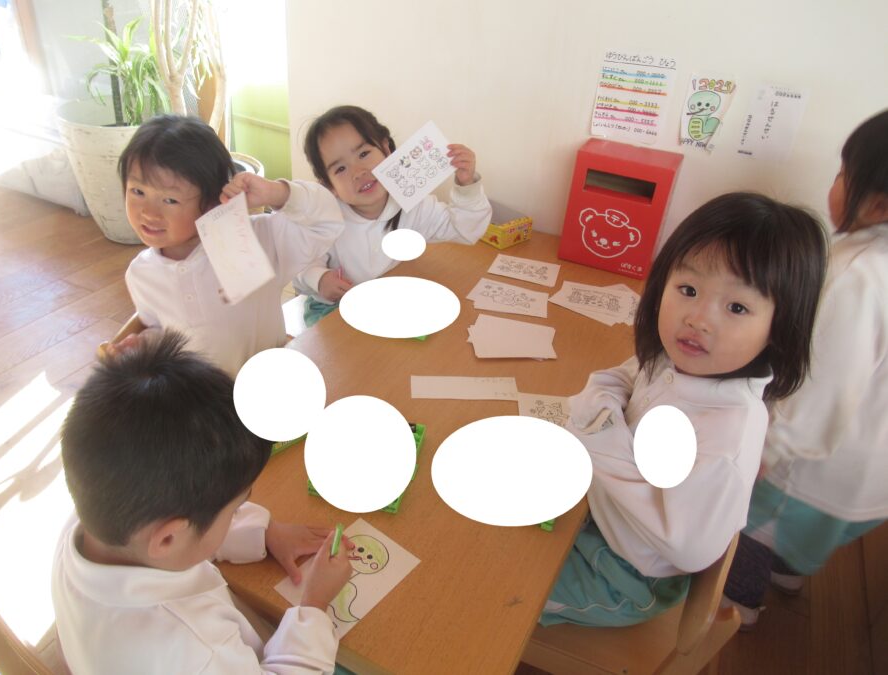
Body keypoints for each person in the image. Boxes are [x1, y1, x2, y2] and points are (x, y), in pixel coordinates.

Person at [540, 192, 828, 627]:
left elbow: (691, 550)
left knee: (496, 583)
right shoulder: (678, 359)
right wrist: (600, 426)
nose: (698, 319)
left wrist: (599, 437)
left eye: (737, 307)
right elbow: (614, 380)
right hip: (596, 512)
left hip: (623, 576)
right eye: (688, 290)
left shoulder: (724, 434)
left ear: (778, 326)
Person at [52, 330, 354, 674]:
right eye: (235, 510)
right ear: (168, 538)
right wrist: (314, 605)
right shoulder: (196, 652)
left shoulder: (93, 519)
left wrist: (265, 531)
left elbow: (181, 527)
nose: (237, 514)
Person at [723, 110, 888, 628]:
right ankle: (788, 575)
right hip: (870, 470)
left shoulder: (857, 275)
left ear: (878, 204)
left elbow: (826, 387)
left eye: (842, 174)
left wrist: (767, 450)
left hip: (818, 461)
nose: (833, 184)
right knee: (800, 533)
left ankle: (736, 607)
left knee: (749, 524)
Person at [117, 114, 344, 376]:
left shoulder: (256, 241)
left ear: (212, 201)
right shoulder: (141, 273)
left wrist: (276, 192)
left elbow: (326, 221)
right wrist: (145, 344)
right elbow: (163, 328)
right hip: (201, 397)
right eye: (138, 192)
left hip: (269, 384)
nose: (148, 213)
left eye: (170, 200)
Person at [292, 105, 491, 326]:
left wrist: (467, 186)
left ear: (387, 150)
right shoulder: (324, 217)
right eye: (340, 169)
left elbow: (465, 230)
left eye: (364, 154)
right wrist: (319, 279)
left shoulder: (413, 204)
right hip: (335, 306)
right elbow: (298, 261)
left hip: (387, 295)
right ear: (329, 186)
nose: (358, 172)